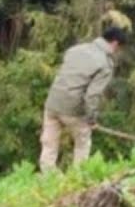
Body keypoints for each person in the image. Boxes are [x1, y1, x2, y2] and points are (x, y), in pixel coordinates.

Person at [39, 26, 127, 172]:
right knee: (82, 144)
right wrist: (91, 118)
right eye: (119, 48)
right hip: (73, 109)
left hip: (52, 104)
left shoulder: (75, 50)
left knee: (49, 144)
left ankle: (48, 179)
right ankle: (77, 177)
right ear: (115, 44)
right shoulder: (104, 64)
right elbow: (92, 95)